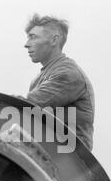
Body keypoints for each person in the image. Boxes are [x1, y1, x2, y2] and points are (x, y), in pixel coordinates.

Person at [24, 14, 95, 151]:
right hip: (54, 151)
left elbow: (26, 106)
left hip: (69, 158)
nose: (26, 44)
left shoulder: (67, 74)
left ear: (54, 40)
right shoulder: (41, 77)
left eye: (33, 37)